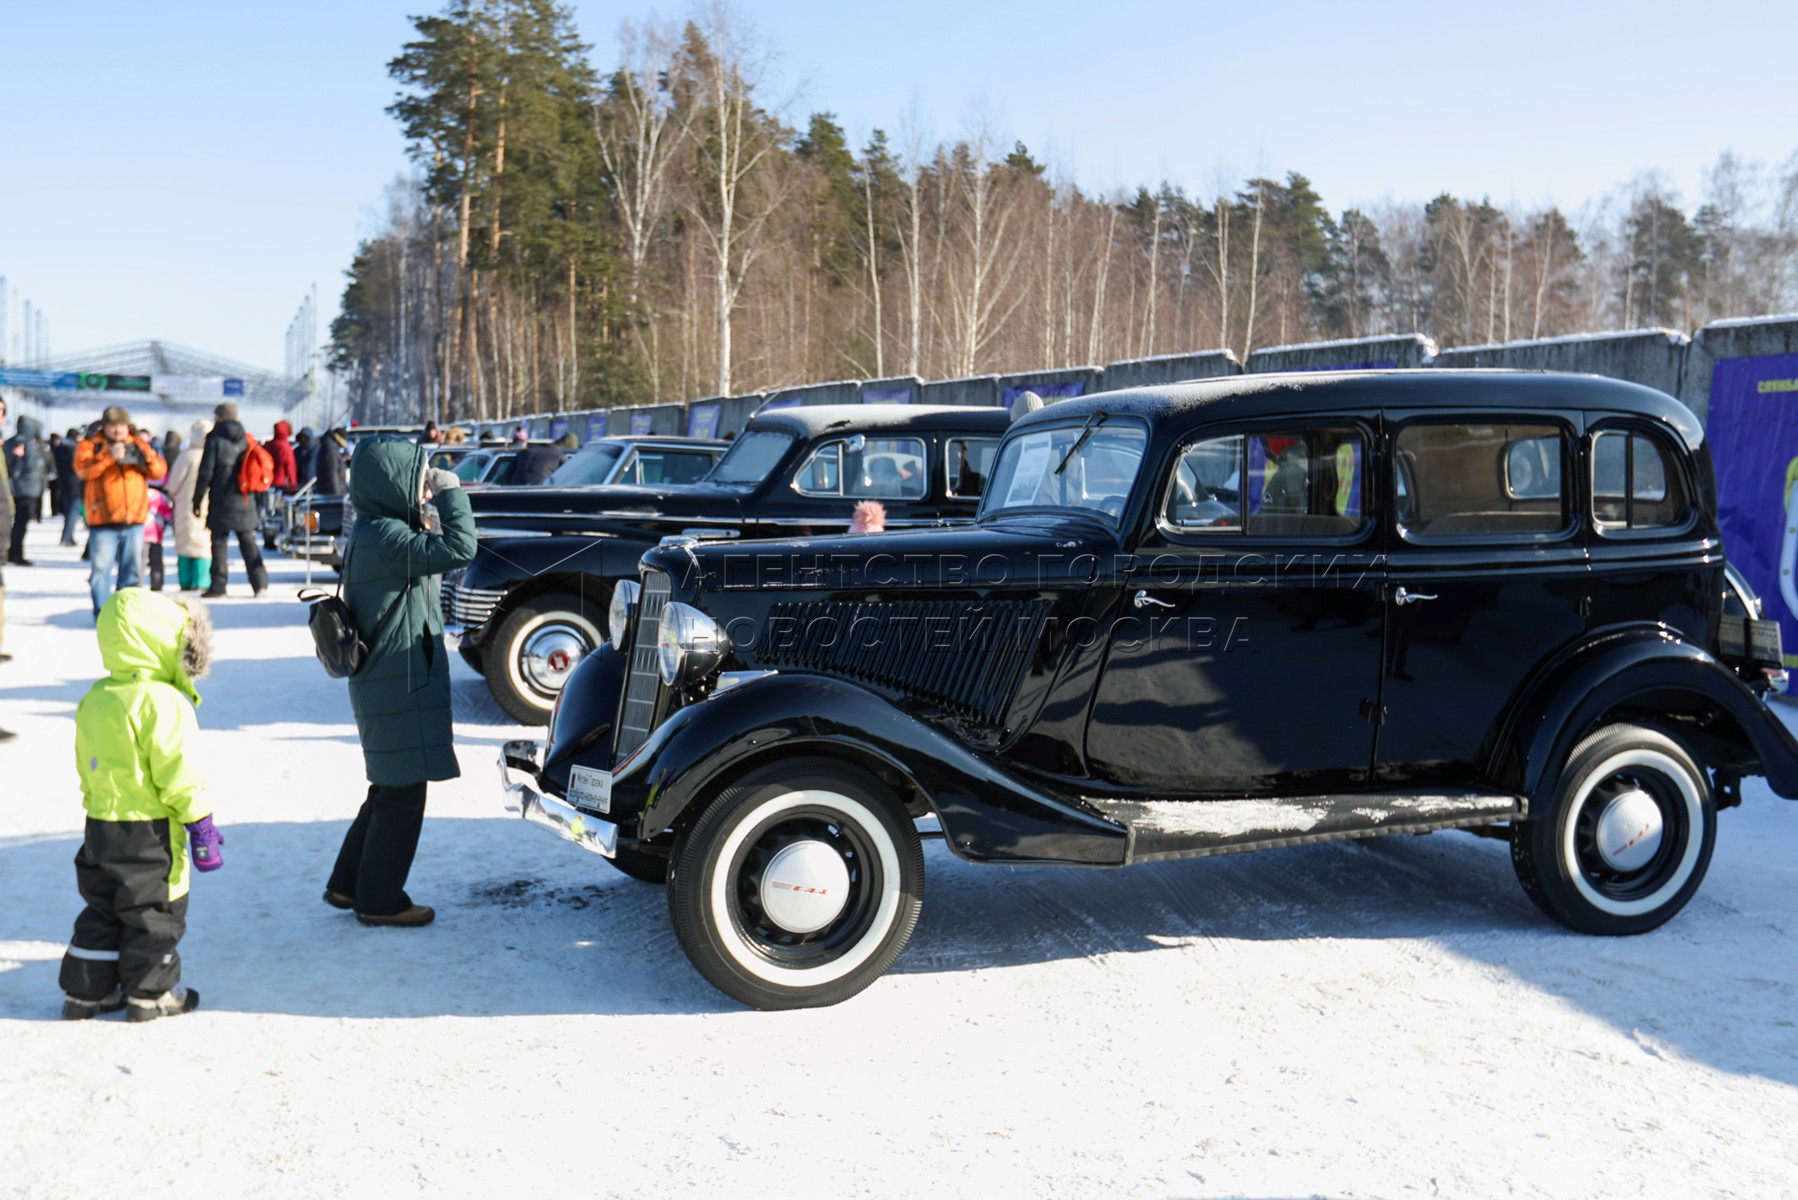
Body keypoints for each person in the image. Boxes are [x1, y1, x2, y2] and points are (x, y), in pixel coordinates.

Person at [325, 438, 477, 926]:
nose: (424, 489)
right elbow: (461, 548)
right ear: (391, 483)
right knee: (402, 795)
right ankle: (380, 901)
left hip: (387, 678)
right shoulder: (388, 537)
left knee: (388, 789)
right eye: (418, 479)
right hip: (398, 680)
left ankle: (348, 886)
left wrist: (426, 513)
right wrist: (451, 493)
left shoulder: (375, 530)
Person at [59, 588, 219, 1021]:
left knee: (103, 906)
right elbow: (179, 771)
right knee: (154, 910)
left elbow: (84, 761)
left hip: (101, 823)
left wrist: (96, 803)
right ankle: (151, 994)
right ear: (162, 642)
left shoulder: (96, 697)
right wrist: (200, 823)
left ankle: (86, 993)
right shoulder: (164, 703)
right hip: (150, 830)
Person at [74, 407, 168, 615]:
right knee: (101, 571)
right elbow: (83, 470)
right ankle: (102, 613)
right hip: (103, 522)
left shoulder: (138, 444)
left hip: (134, 520)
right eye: (113, 426)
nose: (117, 431)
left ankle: (125, 613)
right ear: (105, 427)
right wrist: (108, 456)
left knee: (132, 572)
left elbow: (158, 472)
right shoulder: (92, 446)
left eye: (121, 426)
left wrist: (146, 456)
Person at [193, 403, 267, 597]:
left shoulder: (214, 439)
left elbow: (206, 472)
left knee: (218, 542)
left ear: (218, 417)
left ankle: (218, 586)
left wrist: (197, 499)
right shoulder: (245, 438)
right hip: (244, 498)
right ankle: (260, 583)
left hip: (221, 497)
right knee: (247, 541)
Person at [165, 419, 213, 592]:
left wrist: (171, 492)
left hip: (186, 504)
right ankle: (203, 580)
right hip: (208, 503)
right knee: (204, 542)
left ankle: (186, 580)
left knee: (186, 541)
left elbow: (174, 482)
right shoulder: (212, 453)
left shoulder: (187, 455)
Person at [6, 413, 48, 565]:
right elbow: (29, 464)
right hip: (27, 488)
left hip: (20, 487)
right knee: (21, 522)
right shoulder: (29, 443)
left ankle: (13, 551)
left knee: (17, 522)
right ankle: (16, 553)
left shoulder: (12, 441)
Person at [53, 428, 82, 545]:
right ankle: (67, 537)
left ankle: (67, 535)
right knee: (73, 512)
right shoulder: (73, 449)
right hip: (75, 485)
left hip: (63, 483)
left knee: (68, 512)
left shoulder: (59, 449)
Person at [144, 482, 173, 591]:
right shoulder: (162, 498)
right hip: (156, 533)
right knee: (156, 561)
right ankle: (157, 584)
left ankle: (137, 583)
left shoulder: (141, 494)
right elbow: (168, 515)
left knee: (140, 560)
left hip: (142, 533)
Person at [313, 427, 348, 496]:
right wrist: (336, 497)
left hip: (331, 493)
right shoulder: (330, 451)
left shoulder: (331, 448)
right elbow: (332, 475)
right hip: (331, 495)